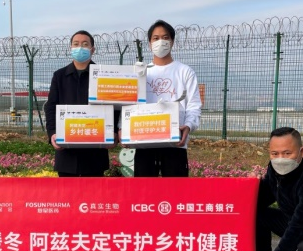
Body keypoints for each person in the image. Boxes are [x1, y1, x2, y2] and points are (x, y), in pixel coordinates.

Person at [44, 29, 120, 176]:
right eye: (76, 44)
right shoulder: (59, 76)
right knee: (67, 190)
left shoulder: (103, 75)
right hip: (66, 151)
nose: (80, 48)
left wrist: (114, 132)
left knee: (93, 190)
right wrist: (52, 132)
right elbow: (51, 106)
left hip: (95, 150)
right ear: (70, 48)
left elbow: (114, 106)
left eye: (85, 44)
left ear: (92, 49)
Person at [133, 19, 202, 177]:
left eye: (165, 38)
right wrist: (122, 127)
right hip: (144, 141)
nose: (161, 42)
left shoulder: (185, 72)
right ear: (149, 43)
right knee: (144, 189)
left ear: (172, 42)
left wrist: (188, 125)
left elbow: (193, 105)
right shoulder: (141, 72)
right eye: (156, 38)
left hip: (175, 143)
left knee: (175, 189)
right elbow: (128, 103)